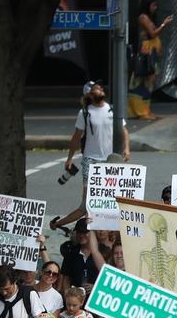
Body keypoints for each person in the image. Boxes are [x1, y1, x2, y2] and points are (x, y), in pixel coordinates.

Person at [52, 81, 130, 230]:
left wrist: (126, 148)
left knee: (111, 199)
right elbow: (76, 136)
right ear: (89, 94)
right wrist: (69, 158)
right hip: (91, 160)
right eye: (96, 89)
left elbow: (123, 130)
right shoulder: (85, 113)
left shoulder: (112, 109)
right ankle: (77, 227)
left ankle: (105, 229)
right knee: (89, 201)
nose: (100, 90)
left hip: (110, 160)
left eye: (100, 88)